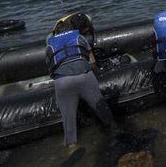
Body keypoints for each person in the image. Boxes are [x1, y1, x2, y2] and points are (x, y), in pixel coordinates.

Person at [45, 13, 115, 148]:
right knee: (101, 106)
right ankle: (113, 129)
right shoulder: (79, 37)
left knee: (68, 118)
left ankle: (71, 146)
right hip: (84, 76)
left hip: (62, 81)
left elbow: (50, 69)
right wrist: (96, 72)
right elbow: (92, 61)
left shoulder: (49, 44)